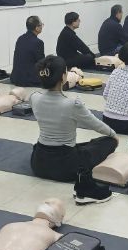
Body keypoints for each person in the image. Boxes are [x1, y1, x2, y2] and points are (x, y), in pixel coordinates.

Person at [30, 55, 118, 204]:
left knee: (83, 146)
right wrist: (113, 134)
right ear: (63, 77)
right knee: (107, 142)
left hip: (38, 162)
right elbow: (95, 124)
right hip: (65, 166)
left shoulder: (34, 97)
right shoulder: (72, 103)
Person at [11, 16, 45, 87]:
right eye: (41, 24)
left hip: (16, 78)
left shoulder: (20, 38)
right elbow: (42, 63)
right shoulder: (38, 42)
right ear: (36, 28)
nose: (42, 26)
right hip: (29, 80)